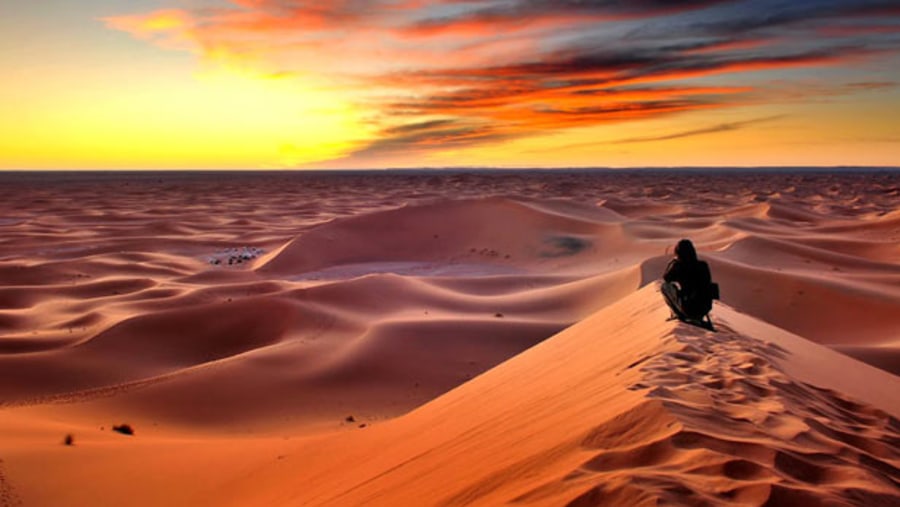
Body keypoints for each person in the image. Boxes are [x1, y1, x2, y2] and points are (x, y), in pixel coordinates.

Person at [661, 239, 716, 326]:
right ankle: (698, 316)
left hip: (689, 308)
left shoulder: (679, 266)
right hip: (705, 307)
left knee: (665, 286)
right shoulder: (703, 265)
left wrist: (673, 263)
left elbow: (666, 278)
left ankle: (678, 314)